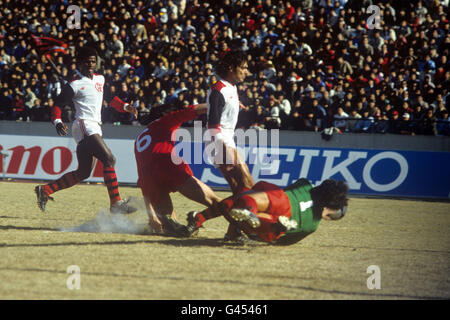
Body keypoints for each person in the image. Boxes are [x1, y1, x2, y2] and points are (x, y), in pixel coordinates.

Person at [34, 46, 137, 214]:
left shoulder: (100, 79)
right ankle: (116, 203)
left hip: (94, 125)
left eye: (93, 61)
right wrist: (58, 122)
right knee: (109, 159)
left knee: (83, 173)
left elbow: (109, 99)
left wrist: (125, 106)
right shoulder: (74, 84)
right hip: (83, 125)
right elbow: (58, 105)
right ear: (80, 63)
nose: (90, 64)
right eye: (87, 61)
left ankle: (45, 190)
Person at [134, 103, 222, 236]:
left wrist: (151, 215)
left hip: (151, 181)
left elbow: (143, 177)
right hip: (169, 168)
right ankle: (200, 219)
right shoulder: (165, 121)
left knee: (172, 227)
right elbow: (190, 111)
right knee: (214, 201)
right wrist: (220, 103)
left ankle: (186, 222)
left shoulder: (140, 138)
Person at [186, 178, 349, 245]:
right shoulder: (312, 225)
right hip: (272, 227)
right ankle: (269, 225)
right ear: (330, 208)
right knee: (242, 205)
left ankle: (200, 218)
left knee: (244, 197)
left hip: (283, 198)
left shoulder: (305, 184)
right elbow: (285, 242)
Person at [205, 49, 255, 241]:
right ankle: (250, 229)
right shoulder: (219, 89)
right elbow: (212, 124)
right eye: (243, 68)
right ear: (232, 68)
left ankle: (233, 233)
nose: (247, 72)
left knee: (239, 190)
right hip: (219, 140)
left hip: (225, 139)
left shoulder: (231, 87)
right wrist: (221, 149)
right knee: (248, 184)